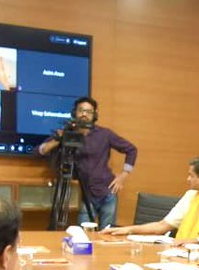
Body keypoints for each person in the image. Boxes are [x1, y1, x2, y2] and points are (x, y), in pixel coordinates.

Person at [38, 96, 137, 229]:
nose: (84, 114)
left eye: (88, 111)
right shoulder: (67, 133)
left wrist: (123, 175)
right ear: (75, 113)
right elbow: (41, 151)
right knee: (82, 234)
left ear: (94, 115)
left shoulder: (104, 134)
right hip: (86, 194)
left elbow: (131, 149)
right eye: (81, 110)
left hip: (108, 192)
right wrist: (59, 139)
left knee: (107, 233)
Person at [103, 156, 199, 242]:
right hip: (182, 256)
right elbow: (162, 226)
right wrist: (128, 230)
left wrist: (194, 242)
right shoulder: (191, 196)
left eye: (191, 175)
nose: (187, 179)